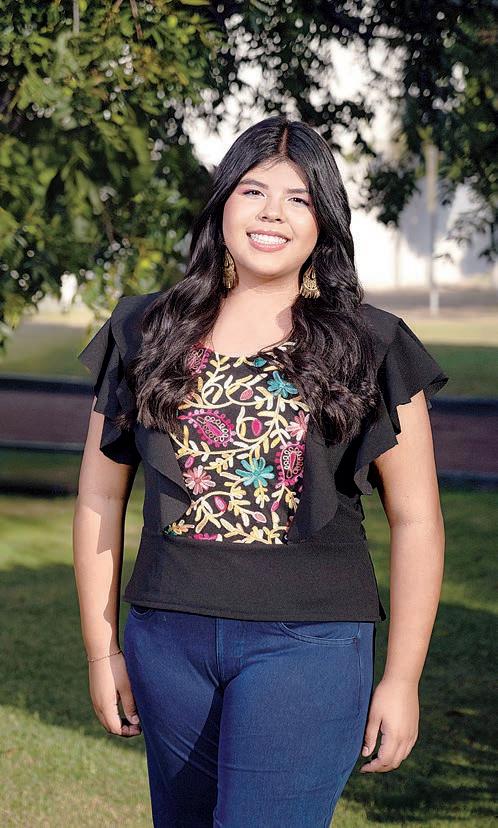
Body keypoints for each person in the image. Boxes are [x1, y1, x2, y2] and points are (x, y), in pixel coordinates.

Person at [73, 116, 449, 827]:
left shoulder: (371, 344)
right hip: (168, 640)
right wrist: (102, 650)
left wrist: (402, 679)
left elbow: (417, 519)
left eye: (298, 198)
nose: (272, 212)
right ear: (222, 206)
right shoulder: (145, 332)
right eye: (253, 191)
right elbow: (100, 493)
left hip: (309, 646)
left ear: (323, 222)